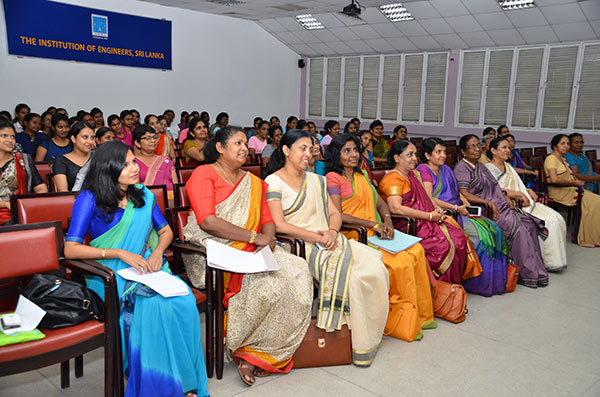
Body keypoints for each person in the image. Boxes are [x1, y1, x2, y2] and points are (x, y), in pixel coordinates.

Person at [64, 141, 208, 397]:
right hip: (107, 273)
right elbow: (71, 249)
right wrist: (118, 252)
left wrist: (157, 252)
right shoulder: (89, 198)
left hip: (146, 267)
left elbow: (165, 231)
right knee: (153, 308)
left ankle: (182, 381)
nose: (135, 168)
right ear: (109, 168)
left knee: (182, 301)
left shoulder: (143, 194)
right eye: (127, 164)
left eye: (134, 162)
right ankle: (159, 385)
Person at [182, 126, 312, 386]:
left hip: (252, 249)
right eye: (237, 143)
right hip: (213, 252)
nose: (244, 148)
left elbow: (266, 220)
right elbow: (207, 222)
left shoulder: (253, 181)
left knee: (298, 271)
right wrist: (254, 239)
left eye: (245, 143)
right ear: (220, 148)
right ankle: (246, 350)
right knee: (269, 287)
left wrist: (267, 241)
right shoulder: (203, 174)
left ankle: (268, 351)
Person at [265, 129, 389, 367]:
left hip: (329, 239)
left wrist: (332, 232)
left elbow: (335, 213)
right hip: (300, 246)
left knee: (375, 269)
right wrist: (317, 236)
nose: (309, 153)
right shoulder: (274, 181)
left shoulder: (318, 180)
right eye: (302, 148)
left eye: (311, 149)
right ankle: (352, 341)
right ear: (286, 150)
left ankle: (363, 337)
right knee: (354, 279)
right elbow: (279, 224)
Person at [325, 134, 435, 340]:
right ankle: (400, 318)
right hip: (354, 234)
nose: (353, 155)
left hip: (376, 230)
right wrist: (373, 225)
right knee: (400, 261)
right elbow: (337, 213)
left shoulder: (363, 176)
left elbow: (381, 203)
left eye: (355, 150)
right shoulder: (333, 178)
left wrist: (387, 222)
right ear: (336, 154)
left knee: (417, 251)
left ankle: (421, 315)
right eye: (346, 151)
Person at [379, 140, 480, 285]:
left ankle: (452, 287)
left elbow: (426, 198)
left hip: (424, 219)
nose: (414, 158)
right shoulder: (393, 178)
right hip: (407, 224)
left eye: (414, 154)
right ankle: (436, 287)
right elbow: (396, 208)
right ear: (396, 158)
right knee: (443, 246)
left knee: (459, 237)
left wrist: (435, 210)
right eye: (409, 155)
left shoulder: (413, 175)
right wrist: (429, 216)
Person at [416, 138, 508, 296]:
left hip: (458, 209)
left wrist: (465, 205)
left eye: (444, 152)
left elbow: (457, 192)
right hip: (444, 213)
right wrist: (456, 208)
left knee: (495, 230)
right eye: (438, 152)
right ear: (427, 155)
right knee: (481, 238)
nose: (443, 155)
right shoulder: (424, 170)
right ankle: (476, 283)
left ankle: (495, 282)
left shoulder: (446, 169)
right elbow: (429, 198)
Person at [455, 134, 549, 288]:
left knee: (530, 225)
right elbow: (464, 193)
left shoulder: (481, 166)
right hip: (486, 211)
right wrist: (486, 202)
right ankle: (527, 273)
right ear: (463, 151)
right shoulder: (462, 167)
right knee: (520, 230)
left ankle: (537, 271)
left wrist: (504, 196)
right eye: (472, 146)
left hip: (499, 205)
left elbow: (495, 187)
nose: (477, 149)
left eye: (478, 145)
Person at [486, 136, 567, 271]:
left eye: (508, 147)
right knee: (547, 220)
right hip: (509, 204)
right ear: (493, 150)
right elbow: (494, 189)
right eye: (504, 148)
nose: (508, 150)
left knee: (557, 217)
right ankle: (548, 261)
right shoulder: (489, 168)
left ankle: (554, 260)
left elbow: (517, 184)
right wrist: (518, 194)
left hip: (523, 200)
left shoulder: (507, 166)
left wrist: (527, 190)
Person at [544, 134, 600, 247]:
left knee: (596, 200)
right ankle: (586, 237)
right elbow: (554, 180)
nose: (566, 146)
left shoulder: (563, 159)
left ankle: (593, 234)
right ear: (555, 146)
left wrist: (575, 184)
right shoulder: (551, 159)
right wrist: (574, 183)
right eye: (562, 144)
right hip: (560, 192)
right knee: (596, 201)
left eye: (568, 144)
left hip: (570, 189)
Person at [0, 119, 48, 225]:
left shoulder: (23, 160)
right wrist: (5, 204)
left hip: (17, 213)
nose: (10, 140)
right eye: (4, 136)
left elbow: (40, 188)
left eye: (12, 137)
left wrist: (29, 205)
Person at [133, 125, 178, 201]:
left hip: (170, 201)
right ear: (137, 143)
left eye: (154, 137)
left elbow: (175, 185)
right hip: (146, 202)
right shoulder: (133, 162)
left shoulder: (166, 160)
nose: (153, 141)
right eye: (147, 138)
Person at [54, 122, 93, 192]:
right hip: (73, 201)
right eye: (85, 137)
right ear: (73, 139)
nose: (90, 141)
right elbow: (63, 191)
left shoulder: (98, 158)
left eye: (92, 137)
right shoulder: (61, 161)